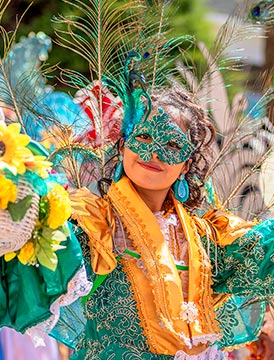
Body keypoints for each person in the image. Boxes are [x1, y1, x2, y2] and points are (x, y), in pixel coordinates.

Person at [59, 84, 274, 360]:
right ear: (124, 145)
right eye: (144, 137)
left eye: (172, 144)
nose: (154, 153)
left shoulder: (206, 241)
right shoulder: (92, 225)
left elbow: (264, 254)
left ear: (187, 162)